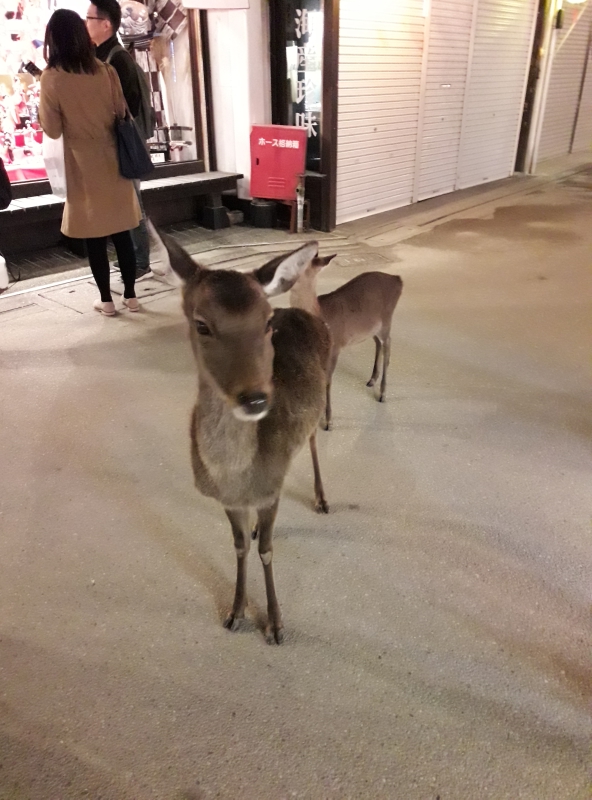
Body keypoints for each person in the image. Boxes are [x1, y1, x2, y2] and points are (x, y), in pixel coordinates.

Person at [39, 8, 141, 315]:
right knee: (122, 231)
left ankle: (106, 301)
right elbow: (121, 111)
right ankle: (131, 296)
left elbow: (52, 129)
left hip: (81, 164)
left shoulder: (52, 78)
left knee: (95, 236)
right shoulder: (105, 71)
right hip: (114, 157)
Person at [86, 0, 151, 280]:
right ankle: (132, 257)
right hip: (112, 142)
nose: (85, 24)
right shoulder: (100, 55)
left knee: (132, 202)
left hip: (123, 143)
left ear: (105, 24)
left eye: (89, 18)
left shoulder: (117, 58)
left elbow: (129, 105)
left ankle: (141, 262)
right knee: (123, 202)